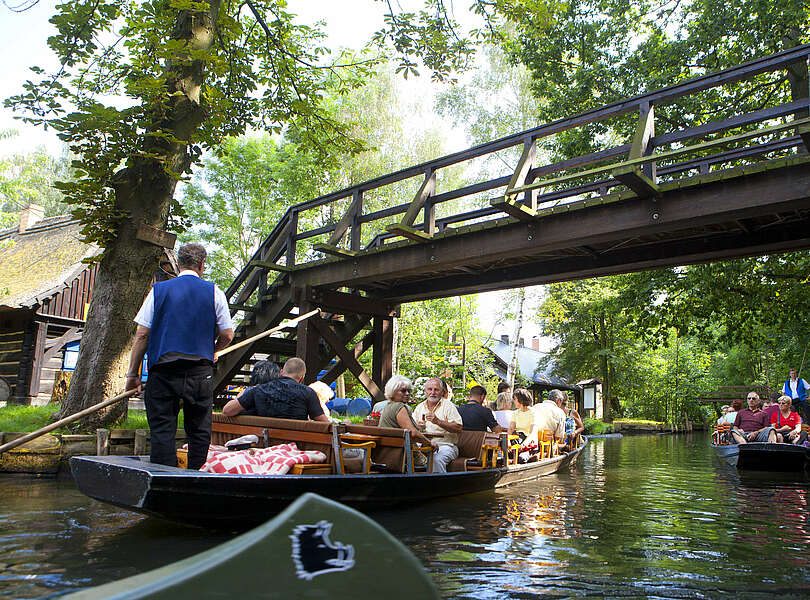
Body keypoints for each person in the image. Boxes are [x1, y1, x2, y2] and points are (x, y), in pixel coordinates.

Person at [125, 243, 234, 470]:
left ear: (178, 264)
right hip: (199, 371)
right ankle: (195, 477)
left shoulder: (158, 291)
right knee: (199, 428)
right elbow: (227, 334)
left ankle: (164, 479)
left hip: (163, 370)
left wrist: (132, 375)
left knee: (162, 429)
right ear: (202, 264)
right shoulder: (215, 292)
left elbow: (142, 335)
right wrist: (214, 350)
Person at [222, 357, 329, 422]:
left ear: (281, 372)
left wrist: (242, 395)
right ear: (302, 377)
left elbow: (227, 411)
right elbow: (324, 423)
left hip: (264, 444)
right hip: (295, 446)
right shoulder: (308, 393)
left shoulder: (258, 390)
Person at [379, 375, 438, 464]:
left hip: (389, 453)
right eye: (403, 391)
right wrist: (430, 443)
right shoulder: (400, 407)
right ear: (393, 392)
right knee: (437, 458)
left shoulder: (388, 406)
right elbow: (413, 433)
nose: (407, 394)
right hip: (404, 456)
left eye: (409, 391)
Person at [413, 377, 463, 473]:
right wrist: (418, 427)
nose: (433, 392)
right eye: (429, 389)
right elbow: (411, 427)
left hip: (444, 446)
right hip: (423, 445)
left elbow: (459, 428)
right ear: (425, 391)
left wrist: (438, 421)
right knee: (407, 456)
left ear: (442, 392)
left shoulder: (448, 406)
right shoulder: (420, 407)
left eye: (436, 389)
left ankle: (438, 486)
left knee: (436, 460)